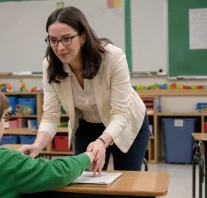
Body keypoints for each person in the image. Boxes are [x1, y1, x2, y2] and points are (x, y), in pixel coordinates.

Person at [19, 6, 150, 174]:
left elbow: (120, 114)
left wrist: (102, 142)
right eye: (53, 40)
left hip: (127, 122)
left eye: (67, 39)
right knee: (85, 179)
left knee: (126, 182)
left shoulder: (112, 57)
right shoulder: (50, 64)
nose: (60, 48)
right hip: (88, 123)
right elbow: (51, 115)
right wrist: (37, 145)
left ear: (82, 37)